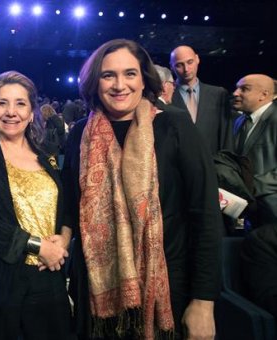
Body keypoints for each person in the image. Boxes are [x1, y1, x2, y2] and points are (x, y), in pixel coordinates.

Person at [62, 39, 222, 339]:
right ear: (95, 81)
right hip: (97, 298)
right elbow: (70, 207)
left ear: (144, 78)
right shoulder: (81, 134)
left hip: (168, 289)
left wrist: (204, 302)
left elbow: (205, 215)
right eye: (108, 75)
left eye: (130, 74)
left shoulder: (175, 126)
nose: (119, 84)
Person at [0, 71, 71, 339]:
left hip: (46, 275)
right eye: (2, 103)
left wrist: (63, 240)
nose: (11, 112)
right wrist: (39, 246)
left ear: (32, 112)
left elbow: (65, 208)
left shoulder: (46, 153)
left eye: (20, 103)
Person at [170, 45, 235, 154]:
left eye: (190, 62)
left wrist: (225, 167)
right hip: (175, 166)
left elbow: (226, 137)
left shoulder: (218, 94)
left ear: (197, 59)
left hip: (212, 164)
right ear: (171, 67)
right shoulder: (165, 96)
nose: (186, 69)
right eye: (179, 65)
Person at [231, 74, 277, 226]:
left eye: (244, 89)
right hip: (250, 214)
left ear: (263, 95)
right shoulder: (240, 121)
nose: (235, 93)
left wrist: (249, 188)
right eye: (237, 88)